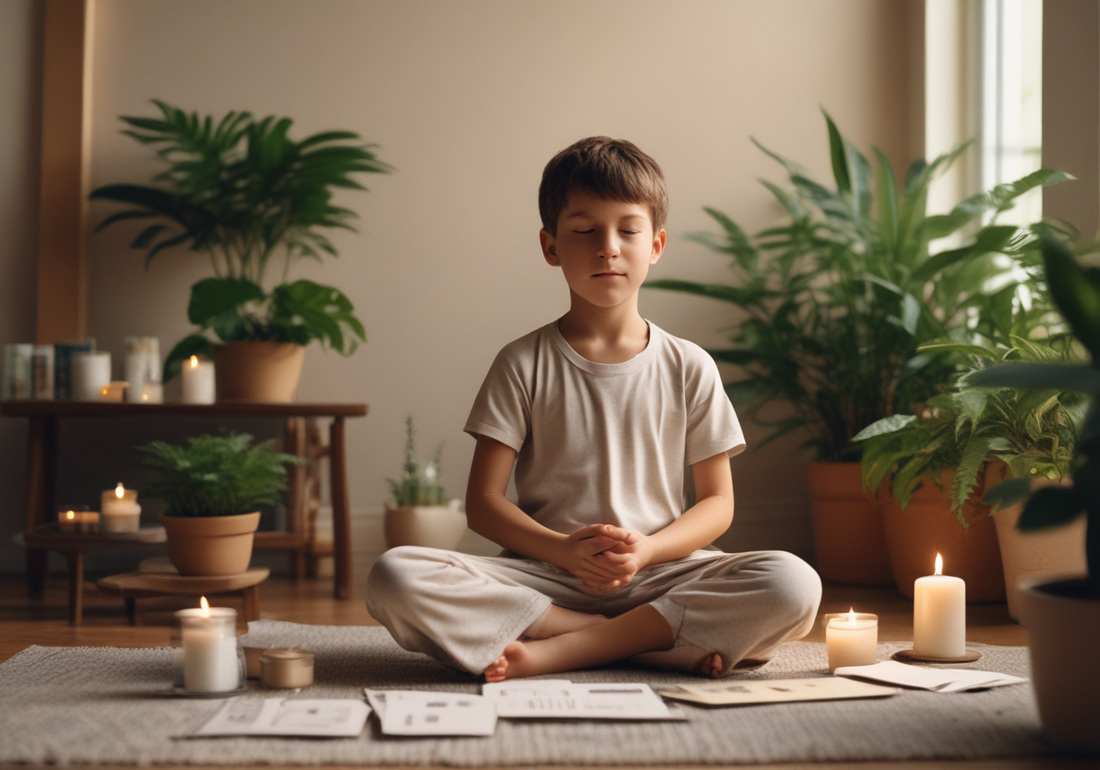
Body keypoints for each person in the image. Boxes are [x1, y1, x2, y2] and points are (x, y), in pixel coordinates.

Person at [367, 136, 821, 682]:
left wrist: (648, 551)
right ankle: (641, 641)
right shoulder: (520, 362)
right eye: (585, 231)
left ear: (655, 244)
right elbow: (484, 504)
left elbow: (718, 503)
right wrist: (564, 553)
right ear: (551, 245)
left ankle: (564, 646)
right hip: (546, 577)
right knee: (394, 576)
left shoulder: (690, 365)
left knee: (793, 583)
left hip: (661, 573)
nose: (608, 247)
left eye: (627, 231)